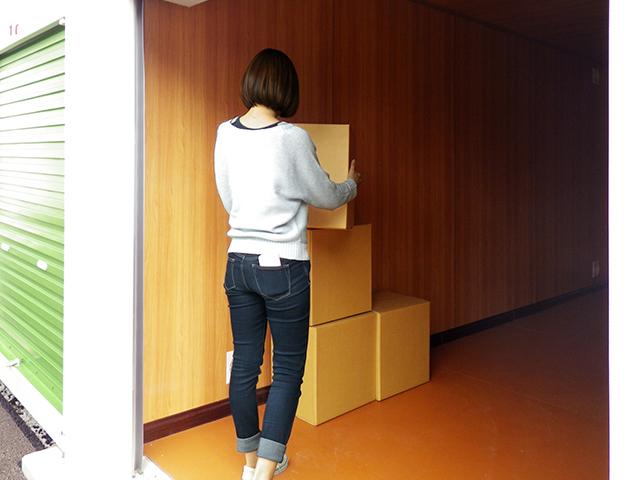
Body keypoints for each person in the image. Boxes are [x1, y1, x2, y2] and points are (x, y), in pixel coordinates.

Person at [213, 48, 362, 480]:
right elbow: (325, 195)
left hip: (238, 261)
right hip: (284, 266)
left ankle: (251, 466)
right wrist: (352, 185)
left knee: (245, 364)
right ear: (288, 89)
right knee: (287, 371)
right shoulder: (292, 138)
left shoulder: (225, 133)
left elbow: (228, 196)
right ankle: (265, 471)